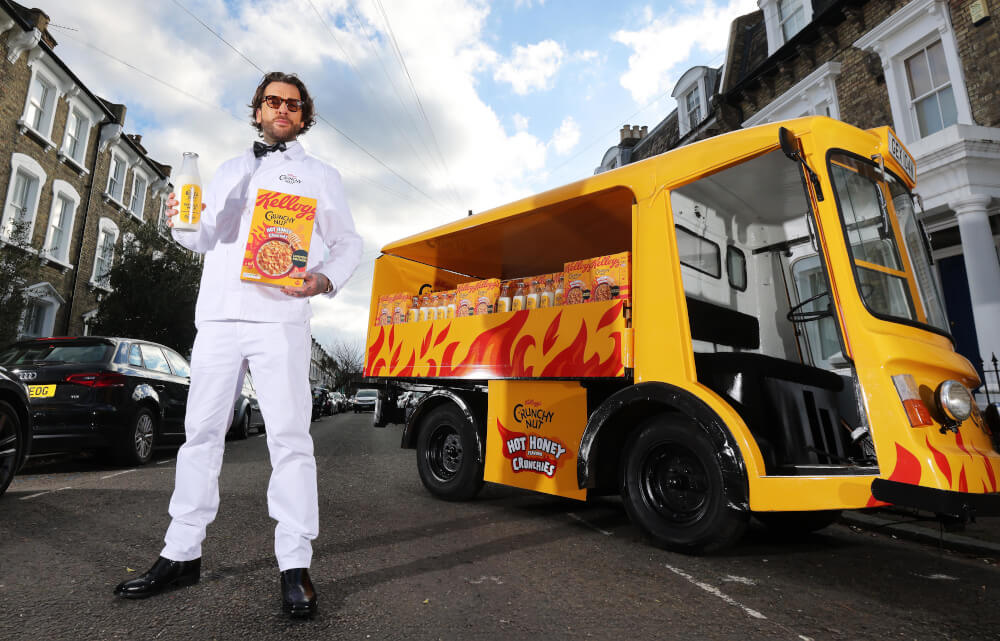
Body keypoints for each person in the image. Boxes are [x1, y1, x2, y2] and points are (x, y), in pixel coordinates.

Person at [114, 72, 362, 619]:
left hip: (279, 317)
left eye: (293, 105)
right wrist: (182, 217)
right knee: (200, 435)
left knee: (290, 439)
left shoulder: (320, 175)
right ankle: (181, 554)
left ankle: (295, 566)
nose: (283, 110)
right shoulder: (226, 170)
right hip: (220, 318)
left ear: (303, 116)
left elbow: (349, 242)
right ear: (257, 110)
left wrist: (321, 279)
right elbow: (199, 239)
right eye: (273, 101)